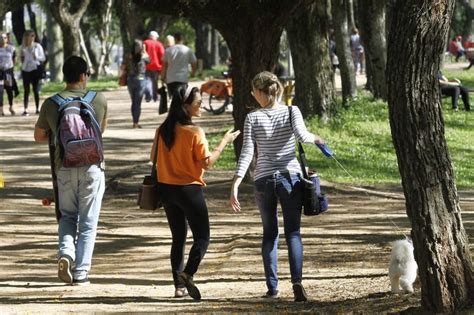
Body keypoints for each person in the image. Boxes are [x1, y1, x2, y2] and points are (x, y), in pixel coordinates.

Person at [230, 71, 325, 302]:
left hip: (263, 180)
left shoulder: (253, 118)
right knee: (293, 233)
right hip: (290, 177)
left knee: (270, 234)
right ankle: (297, 283)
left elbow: (248, 152)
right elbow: (303, 136)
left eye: (254, 92)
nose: (253, 96)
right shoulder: (292, 111)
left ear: (261, 92)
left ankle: (273, 289)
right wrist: (317, 139)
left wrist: (236, 182)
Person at [151, 85, 240, 300]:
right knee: (203, 236)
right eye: (198, 103)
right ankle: (187, 274)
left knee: (178, 237)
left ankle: (178, 287)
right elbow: (207, 163)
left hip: (166, 189)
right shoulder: (194, 132)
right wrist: (224, 143)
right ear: (185, 107)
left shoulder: (162, 130)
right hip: (189, 190)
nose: (201, 105)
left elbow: (153, 156)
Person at [34, 56, 108, 285]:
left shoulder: (51, 102)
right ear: (85, 75)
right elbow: (100, 132)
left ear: (64, 76)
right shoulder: (98, 99)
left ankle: (66, 254)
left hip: (64, 167)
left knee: (67, 216)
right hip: (92, 168)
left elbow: (39, 137)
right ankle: (81, 273)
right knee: (88, 222)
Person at [162, 32, 197, 99]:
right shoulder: (187, 50)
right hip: (182, 78)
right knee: (182, 98)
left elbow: (164, 65)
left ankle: (174, 109)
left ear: (174, 39)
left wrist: (163, 77)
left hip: (170, 78)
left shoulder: (168, 50)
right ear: (182, 39)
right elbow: (194, 63)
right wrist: (193, 73)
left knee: (173, 99)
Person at [125, 39, 150, 128]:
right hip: (140, 79)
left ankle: (134, 121)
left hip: (130, 79)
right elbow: (149, 61)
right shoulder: (143, 56)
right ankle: (136, 122)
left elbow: (125, 65)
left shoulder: (129, 56)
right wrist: (144, 50)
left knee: (133, 101)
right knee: (137, 102)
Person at [20, 30, 45, 116]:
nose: (31, 38)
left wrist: (36, 56)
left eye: (32, 36)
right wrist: (21, 57)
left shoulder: (37, 46)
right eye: (29, 36)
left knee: (35, 89)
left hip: (35, 69)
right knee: (26, 90)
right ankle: (25, 109)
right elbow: (22, 59)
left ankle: (37, 108)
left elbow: (43, 58)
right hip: (25, 69)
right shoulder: (23, 47)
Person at [143, 31, 165, 102]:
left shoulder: (145, 43)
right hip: (156, 66)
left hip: (146, 66)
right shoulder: (159, 44)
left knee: (147, 81)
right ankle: (155, 97)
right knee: (155, 82)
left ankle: (148, 95)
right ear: (155, 37)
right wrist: (163, 66)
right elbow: (162, 55)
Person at [0, 32, 16, 116]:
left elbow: (14, 59)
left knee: (9, 90)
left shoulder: (11, 48)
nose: (3, 39)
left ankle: (11, 106)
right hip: (0, 73)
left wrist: (11, 68)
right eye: (1, 37)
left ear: (7, 38)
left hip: (8, 72)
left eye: (4, 37)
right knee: (0, 91)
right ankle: (1, 109)